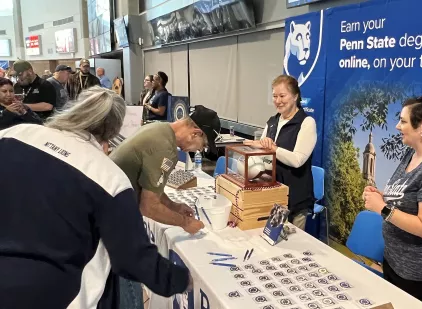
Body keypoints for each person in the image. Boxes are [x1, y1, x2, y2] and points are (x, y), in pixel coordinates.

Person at [0, 87, 193, 309]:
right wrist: (182, 279)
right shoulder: (107, 177)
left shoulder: (13, 135)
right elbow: (134, 259)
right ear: (113, 130)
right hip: (56, 294)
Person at [109, 105, 220, 309]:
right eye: (202, 145)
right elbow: (149, 207)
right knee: (129, 288)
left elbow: (150, 189)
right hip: (112, 217)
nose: (198, 150)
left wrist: (175, 206)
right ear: (195, 132)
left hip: (111, 208)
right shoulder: (165, 148)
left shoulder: (160, 129)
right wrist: (185, 222)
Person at [362, 93, 422, 308]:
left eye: (403, 121)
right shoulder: (410, 154)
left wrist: (382, 208)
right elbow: (406, 198)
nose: (397, 126)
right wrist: (382, 196)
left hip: (421, 275)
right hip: (395, 263)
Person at [244, 75, 317, 230]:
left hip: (295, 197)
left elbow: (297, 160)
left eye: (282, 96)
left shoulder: (306, 123)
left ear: (295, 96)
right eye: (275, 96)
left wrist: (274, 149)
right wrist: (257, 145)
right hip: (272, 193)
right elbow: (262, 152)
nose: (278, 101)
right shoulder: (272, 121)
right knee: (272, 240)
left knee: (292, 243)